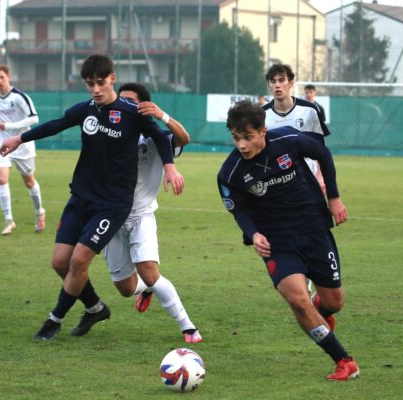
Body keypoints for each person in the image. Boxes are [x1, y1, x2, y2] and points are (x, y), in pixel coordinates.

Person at [0, 54, 184, 341]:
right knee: (60, 262)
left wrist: (170, 167)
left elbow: (161, 137)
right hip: (81, 198)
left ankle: (54, 319)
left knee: (78, 261)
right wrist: (19, 139)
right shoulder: (86, 110)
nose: (96, 89)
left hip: (111, 205)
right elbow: (56, 124)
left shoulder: (131, 111)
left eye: (100, 82)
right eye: (90, 84)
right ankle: (95, 307)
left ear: (112, 78)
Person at [217, 100, 359, 381]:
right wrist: (253, 234)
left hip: (314, 231)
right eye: (236, 138)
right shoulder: (229, 173)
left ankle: (320, 311)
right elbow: (239, 210)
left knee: (335, 302)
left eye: (248, 137)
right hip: (277, 243)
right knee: (297, 300)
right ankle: (344, 360)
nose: (242, 145)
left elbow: (323, 154)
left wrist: (334, 197)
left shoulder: (289, 140)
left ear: (263, 131)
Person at [99, 82, 201, 343]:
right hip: (110, 216)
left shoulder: (153, 136)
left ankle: (187, 327)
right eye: (121, 100)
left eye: (131, 101)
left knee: (149, 272)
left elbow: (183, 138)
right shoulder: (109, 133)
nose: (124, 105)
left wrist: (162, 115)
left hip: (141, 215)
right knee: (124, 288)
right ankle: (145, 289)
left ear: (144, 105)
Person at [264, 64, 330, 295]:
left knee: (312, 231)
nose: (277, 85)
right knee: (287, 231)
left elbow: (321, 150)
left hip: (308, 184)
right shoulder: (263, 115)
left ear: (291, 83)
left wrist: (321, 177)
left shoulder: (309, 111)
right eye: (273, 81)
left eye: (282, 80)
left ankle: (313, 277)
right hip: (280, 187)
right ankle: (299, 277)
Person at [0, 64, 45, 235]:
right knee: (2, 179)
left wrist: (11, 125)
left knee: (29, 181)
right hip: (3, 142)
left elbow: (34, 119)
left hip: (22, 143)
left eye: (2, 77)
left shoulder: (20, 97)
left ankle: (39, 212)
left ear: (9, 77)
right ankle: (9, 220)